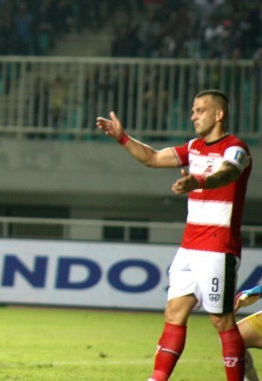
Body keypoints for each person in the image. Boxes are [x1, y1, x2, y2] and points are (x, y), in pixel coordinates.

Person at [96, 89, 252, 381]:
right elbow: (153, 158)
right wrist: (122, 137)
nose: (193, 116)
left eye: (200, 110)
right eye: (192, 110)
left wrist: (199, 181)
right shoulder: (193, 147)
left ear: (219, 114)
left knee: (222, 320)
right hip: (189, 247)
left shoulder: (236, 148)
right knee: (174, 313)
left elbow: (229, 173)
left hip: (218, 248)